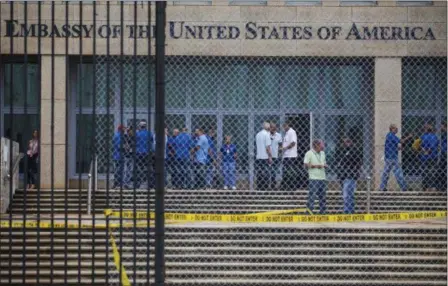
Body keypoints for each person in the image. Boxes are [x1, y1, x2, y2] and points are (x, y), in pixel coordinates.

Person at [379, 124, 413, 192]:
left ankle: (382, 187)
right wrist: (409, 137)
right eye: (395, 129)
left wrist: (400, 148)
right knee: (398, 173)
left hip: (389, 157)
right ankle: (404, 187)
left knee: (386, 173)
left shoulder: (389, 136)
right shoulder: (391, 135)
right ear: (392, 129)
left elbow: (393, 147)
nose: (397, 130)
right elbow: (401, 141)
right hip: (392, 158)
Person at [335, 137, 362, 214]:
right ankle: (349, 210)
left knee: (347, 194)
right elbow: (340, 163)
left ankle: (348, 211)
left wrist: (355, 171)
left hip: (350, 175)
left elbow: (357, 162)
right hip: (344, 176)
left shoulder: (354, 151)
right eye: (345, 143)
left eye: (348, 142)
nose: (346, 144)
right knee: (347, 194)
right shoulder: (342, 152)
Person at [304, 139, 327, 214]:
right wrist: (316, 166)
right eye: (321, 145)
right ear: (316, 145)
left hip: (322, 177)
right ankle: (309, 213)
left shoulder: (323, 153)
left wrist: (325, 165)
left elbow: (324, 162)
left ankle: (322, 213)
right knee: (312, 197)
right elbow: (305, 165)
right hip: (314, 178)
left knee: (323, 197)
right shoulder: (309, 153)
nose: (323, 146)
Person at [420, 124, 439, 192]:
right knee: (432, 172)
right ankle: (431, 186)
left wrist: (424, 151)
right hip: (432, 157)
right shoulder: (434, 136)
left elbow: (420, 146)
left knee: (425, 172)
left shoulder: (423, 136)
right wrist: (427, 151)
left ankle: (425, 187)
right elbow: (433, 146)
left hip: (425, 157)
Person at [135, 121, 153, 189]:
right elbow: (151, 141)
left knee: (138, 168)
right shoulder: (149, 133)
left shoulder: (137, 134)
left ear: (140, 126)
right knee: (148, 168)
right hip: (147, 153)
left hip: (139, 153)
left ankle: (138, 184)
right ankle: (149, 184)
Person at [281, 122, 298, 191]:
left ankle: (292, 186)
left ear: (288, 125)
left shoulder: (292, 132)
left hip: (291, 155)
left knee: (290, 171)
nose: (284, 128)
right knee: (286, 171)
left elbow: (293, 143)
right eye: (283, 127)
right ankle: (286, 186)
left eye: (284, 126)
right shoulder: (287, 133)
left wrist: (284, 148)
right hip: (286, 155)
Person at [255, 122, 272, 190]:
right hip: (265, 157)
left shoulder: (258, 134)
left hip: (259, 156)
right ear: (268, 127)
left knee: (259, 172)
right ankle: (264, 187)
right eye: (269, 127)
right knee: (266, 172)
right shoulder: (267, 135)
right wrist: (270, 157)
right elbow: (267, 147)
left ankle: (259, 186)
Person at [269, 123, 282, 190]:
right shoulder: (267, 135)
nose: (273, 129)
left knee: (274, 172)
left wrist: (279, 153)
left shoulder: (279, 135)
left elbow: (280, 146)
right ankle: (267, 185)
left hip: (275, 156)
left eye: (274, 128)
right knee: (268, 171)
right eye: (272, 128)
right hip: (267, 156)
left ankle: (273, 185)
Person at [112, 125, 125, 189]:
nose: (124, 131)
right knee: (119, 170)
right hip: (119, 156)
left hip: (116, 155)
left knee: (117, 170)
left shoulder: (116, 135)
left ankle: (116, 183)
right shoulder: (119, 136)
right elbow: (119, 146)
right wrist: (125, 147)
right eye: (123, 129)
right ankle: (118, 183)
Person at [437, 122, 447, 192]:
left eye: (442, 127)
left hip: (445, 153)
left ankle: (443, 186)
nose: (441, 128)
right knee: (441, 170)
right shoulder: (444, 134)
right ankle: (443, 186)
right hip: (444, 153)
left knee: (441, 169)